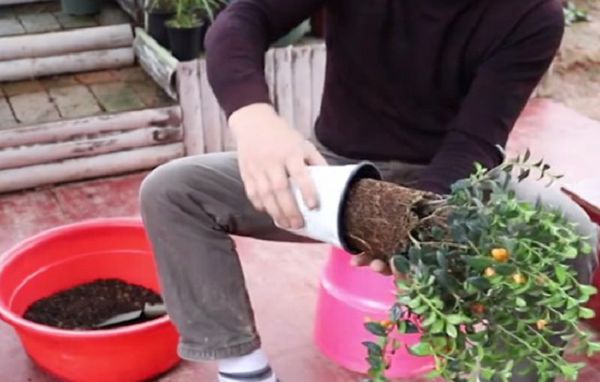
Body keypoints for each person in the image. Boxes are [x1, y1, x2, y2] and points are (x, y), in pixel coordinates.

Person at [139, 1, 598, 381]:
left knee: (570, 231)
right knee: (173, 191)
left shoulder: (532, 14)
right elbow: (242, 20)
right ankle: (245, 370)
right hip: (335, 173)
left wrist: (416, 224)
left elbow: (475, 142)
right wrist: (254, 119)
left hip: (454, 183)